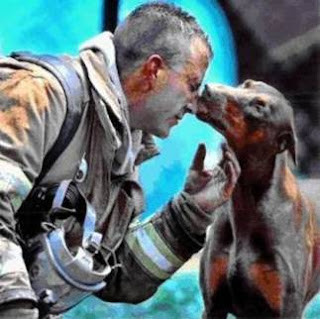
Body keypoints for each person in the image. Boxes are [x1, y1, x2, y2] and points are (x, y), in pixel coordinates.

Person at [0, 2, 240, 318]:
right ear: (154, 70)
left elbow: (113, 277)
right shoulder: (39, 93)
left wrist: (190, 214)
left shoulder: (122, 148)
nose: (195, 106)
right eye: (193, 86)